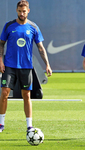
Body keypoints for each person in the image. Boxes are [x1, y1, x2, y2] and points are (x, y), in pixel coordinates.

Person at [0, 0, 52, 133]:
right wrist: (1, 60)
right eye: (19, 11)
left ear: (28, 11)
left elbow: (40, 47)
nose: (21, 13)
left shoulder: (33, 27)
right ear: (16, 11)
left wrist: (47, 65)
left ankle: (29, 125)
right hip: (9, 66)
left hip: (26, 67)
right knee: (5, 93)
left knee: (26, 95)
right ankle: (1, 124)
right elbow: (1, 44)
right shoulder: (9, 26)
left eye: (24, 11)